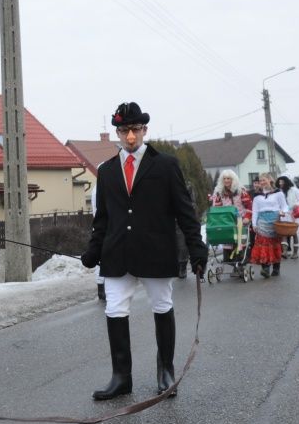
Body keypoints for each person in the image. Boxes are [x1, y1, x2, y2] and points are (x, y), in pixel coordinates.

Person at [81, 102, 207, 401]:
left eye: (135, 130)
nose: (130, 137)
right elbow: (103, 218)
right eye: (124, 131)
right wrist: (93, 251)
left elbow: (185, 212)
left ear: (144, 130)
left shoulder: (165, 165)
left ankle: (165, 371)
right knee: (114, 310)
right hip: (117, 255)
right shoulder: (107, 171)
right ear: (118, 133)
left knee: (162, 306)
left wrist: (196, 248)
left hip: (155, 251)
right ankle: (121, 377)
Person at [210, 169, 252, 276]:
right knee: (228, 242)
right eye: (224, 178)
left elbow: (249, 206)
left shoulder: (241, 191)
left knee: (240, 243)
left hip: (240, 221)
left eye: (228, 178)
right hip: (226, 222)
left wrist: (247, 217)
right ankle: (234, 265)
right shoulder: (219, 193)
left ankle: (241, 265)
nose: (226, 181)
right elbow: (217, 208)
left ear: (233, 180)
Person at [250, 173, 288, 278]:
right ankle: (265, 268)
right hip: (262, 221)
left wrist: (283, 212)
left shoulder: (278, 193)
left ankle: (276, 268)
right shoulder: (257, 196)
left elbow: (285, 207)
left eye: (264, 180)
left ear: (269, 180)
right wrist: (254, 224)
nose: (262, 182)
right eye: (260, 181)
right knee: (262, 244)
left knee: (275, 244)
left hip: (275, 221)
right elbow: (255, 211)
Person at [276, 176, 299, 259]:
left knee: (294, 234)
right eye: (279, 182)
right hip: (284, 215)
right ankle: (285, 252)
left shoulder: (294, 190)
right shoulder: (279, 192)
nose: (280, 184)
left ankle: (295, 253)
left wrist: (296, 205)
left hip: (294, 215)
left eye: (282, 182)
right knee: (284, 234)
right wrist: (279, 211)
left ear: (286, 182)